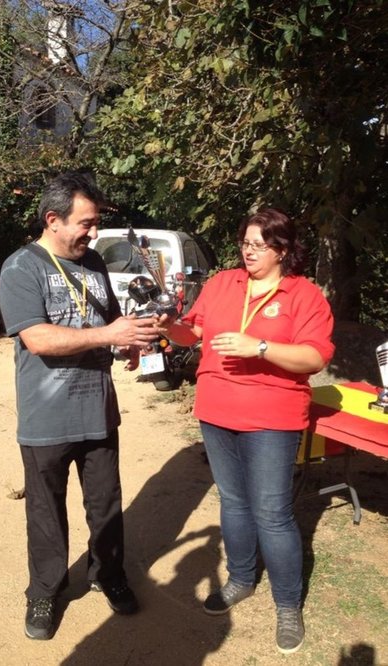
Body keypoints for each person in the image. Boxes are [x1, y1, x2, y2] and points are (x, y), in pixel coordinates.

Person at [159, 208, 335, 655]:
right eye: (245, 242)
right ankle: (240, 579)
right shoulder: (222, 284)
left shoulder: (304, 295)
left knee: (272, 512)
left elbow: (313, 358)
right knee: (234, 502)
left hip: (272, 419)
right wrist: (169, 327)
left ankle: (288, 604)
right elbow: (191, 332)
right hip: (216, 412)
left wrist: (258, 347)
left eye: (260, 244)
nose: (249, 251)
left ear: (282, 250)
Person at [0, 171, 160, 641]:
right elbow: (37, 337)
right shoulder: (20, 267)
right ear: (53, 220)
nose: (92, 233)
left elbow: (108, 319)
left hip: (98, 412)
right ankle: (45, 590)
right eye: (85, 224)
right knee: (46, 512)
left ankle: (108, 574)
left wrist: (130, 341)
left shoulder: (92, 263)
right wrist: (109, 335)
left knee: (106, 504)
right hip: (45, 417)